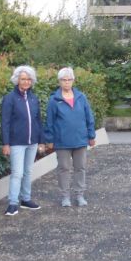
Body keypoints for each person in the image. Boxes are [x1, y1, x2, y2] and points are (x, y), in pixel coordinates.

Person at [44, 67, 96, 207]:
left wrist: (91, 135)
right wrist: (49, 139)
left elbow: (88, 117)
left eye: (69, 79)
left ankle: (79, 195)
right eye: (63, 80)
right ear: (59, 81)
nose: (66, 82)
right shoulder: (54, 100)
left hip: (80, 140)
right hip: (62, 142)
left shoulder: (81, 97)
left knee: (80, 168)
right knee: (64, 169)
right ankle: (65, 196)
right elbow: (49, 121)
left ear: (73, 80)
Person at [0, 65, 46, 216]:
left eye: (28, 79)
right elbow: (5, 122)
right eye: (23, 79)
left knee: (27, 172)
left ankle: (26, 199)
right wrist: (6, 143)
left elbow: (38, 120)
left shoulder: (33, 98)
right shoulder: (10, 98)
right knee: (17, 173)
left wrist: (41, 141)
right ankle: (13, 203)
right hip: (16, 142)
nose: (26, 82)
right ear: (17, 80)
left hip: (32, 142)